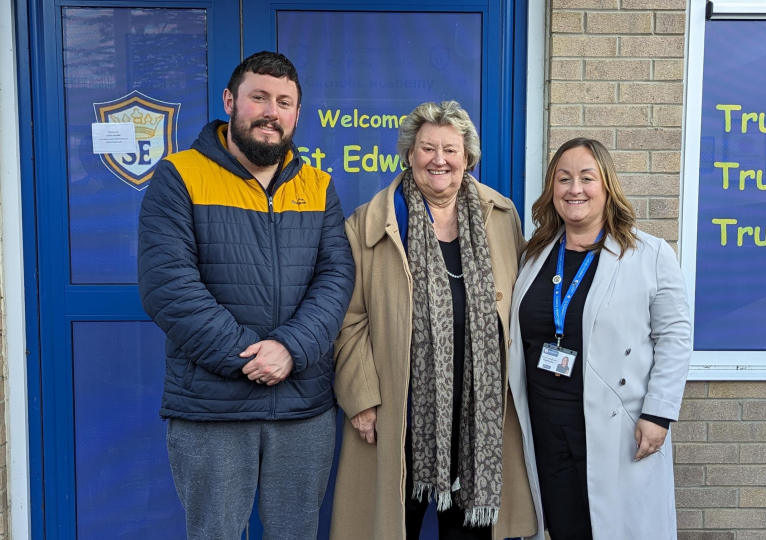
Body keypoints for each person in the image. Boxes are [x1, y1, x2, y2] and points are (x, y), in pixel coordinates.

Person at [137, 51, 355, 540]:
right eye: (259, 98)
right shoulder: (180, 175)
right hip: (213, 409)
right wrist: (252, 357)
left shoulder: (318, 184)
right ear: (230, 101)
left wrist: (290, 350)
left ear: (297, 114)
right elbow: (167, 285)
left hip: (303, 405)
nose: (271, 112)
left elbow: (337, 276)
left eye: (284, 102)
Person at [330, 101, 537, 540]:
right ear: (409, 154)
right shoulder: (371, 223)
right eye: (427, 148)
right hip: (398, 412)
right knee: (391, 526)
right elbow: (348, 320)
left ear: (468, 158)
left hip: (479, 413)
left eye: (450, 149)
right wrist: (360, 396)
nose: (438, 160)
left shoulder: (500, 216)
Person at [508, 138, 691, 540]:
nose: (575, 189)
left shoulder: (650, 255)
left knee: (612, 528)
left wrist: (658, 414)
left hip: (616, 427)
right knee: (562, 526)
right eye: (564, 178)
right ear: (551, 190)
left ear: (607, 187)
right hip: (544, 427)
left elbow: (675, 338)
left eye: (587, 178)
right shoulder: (534, 255)